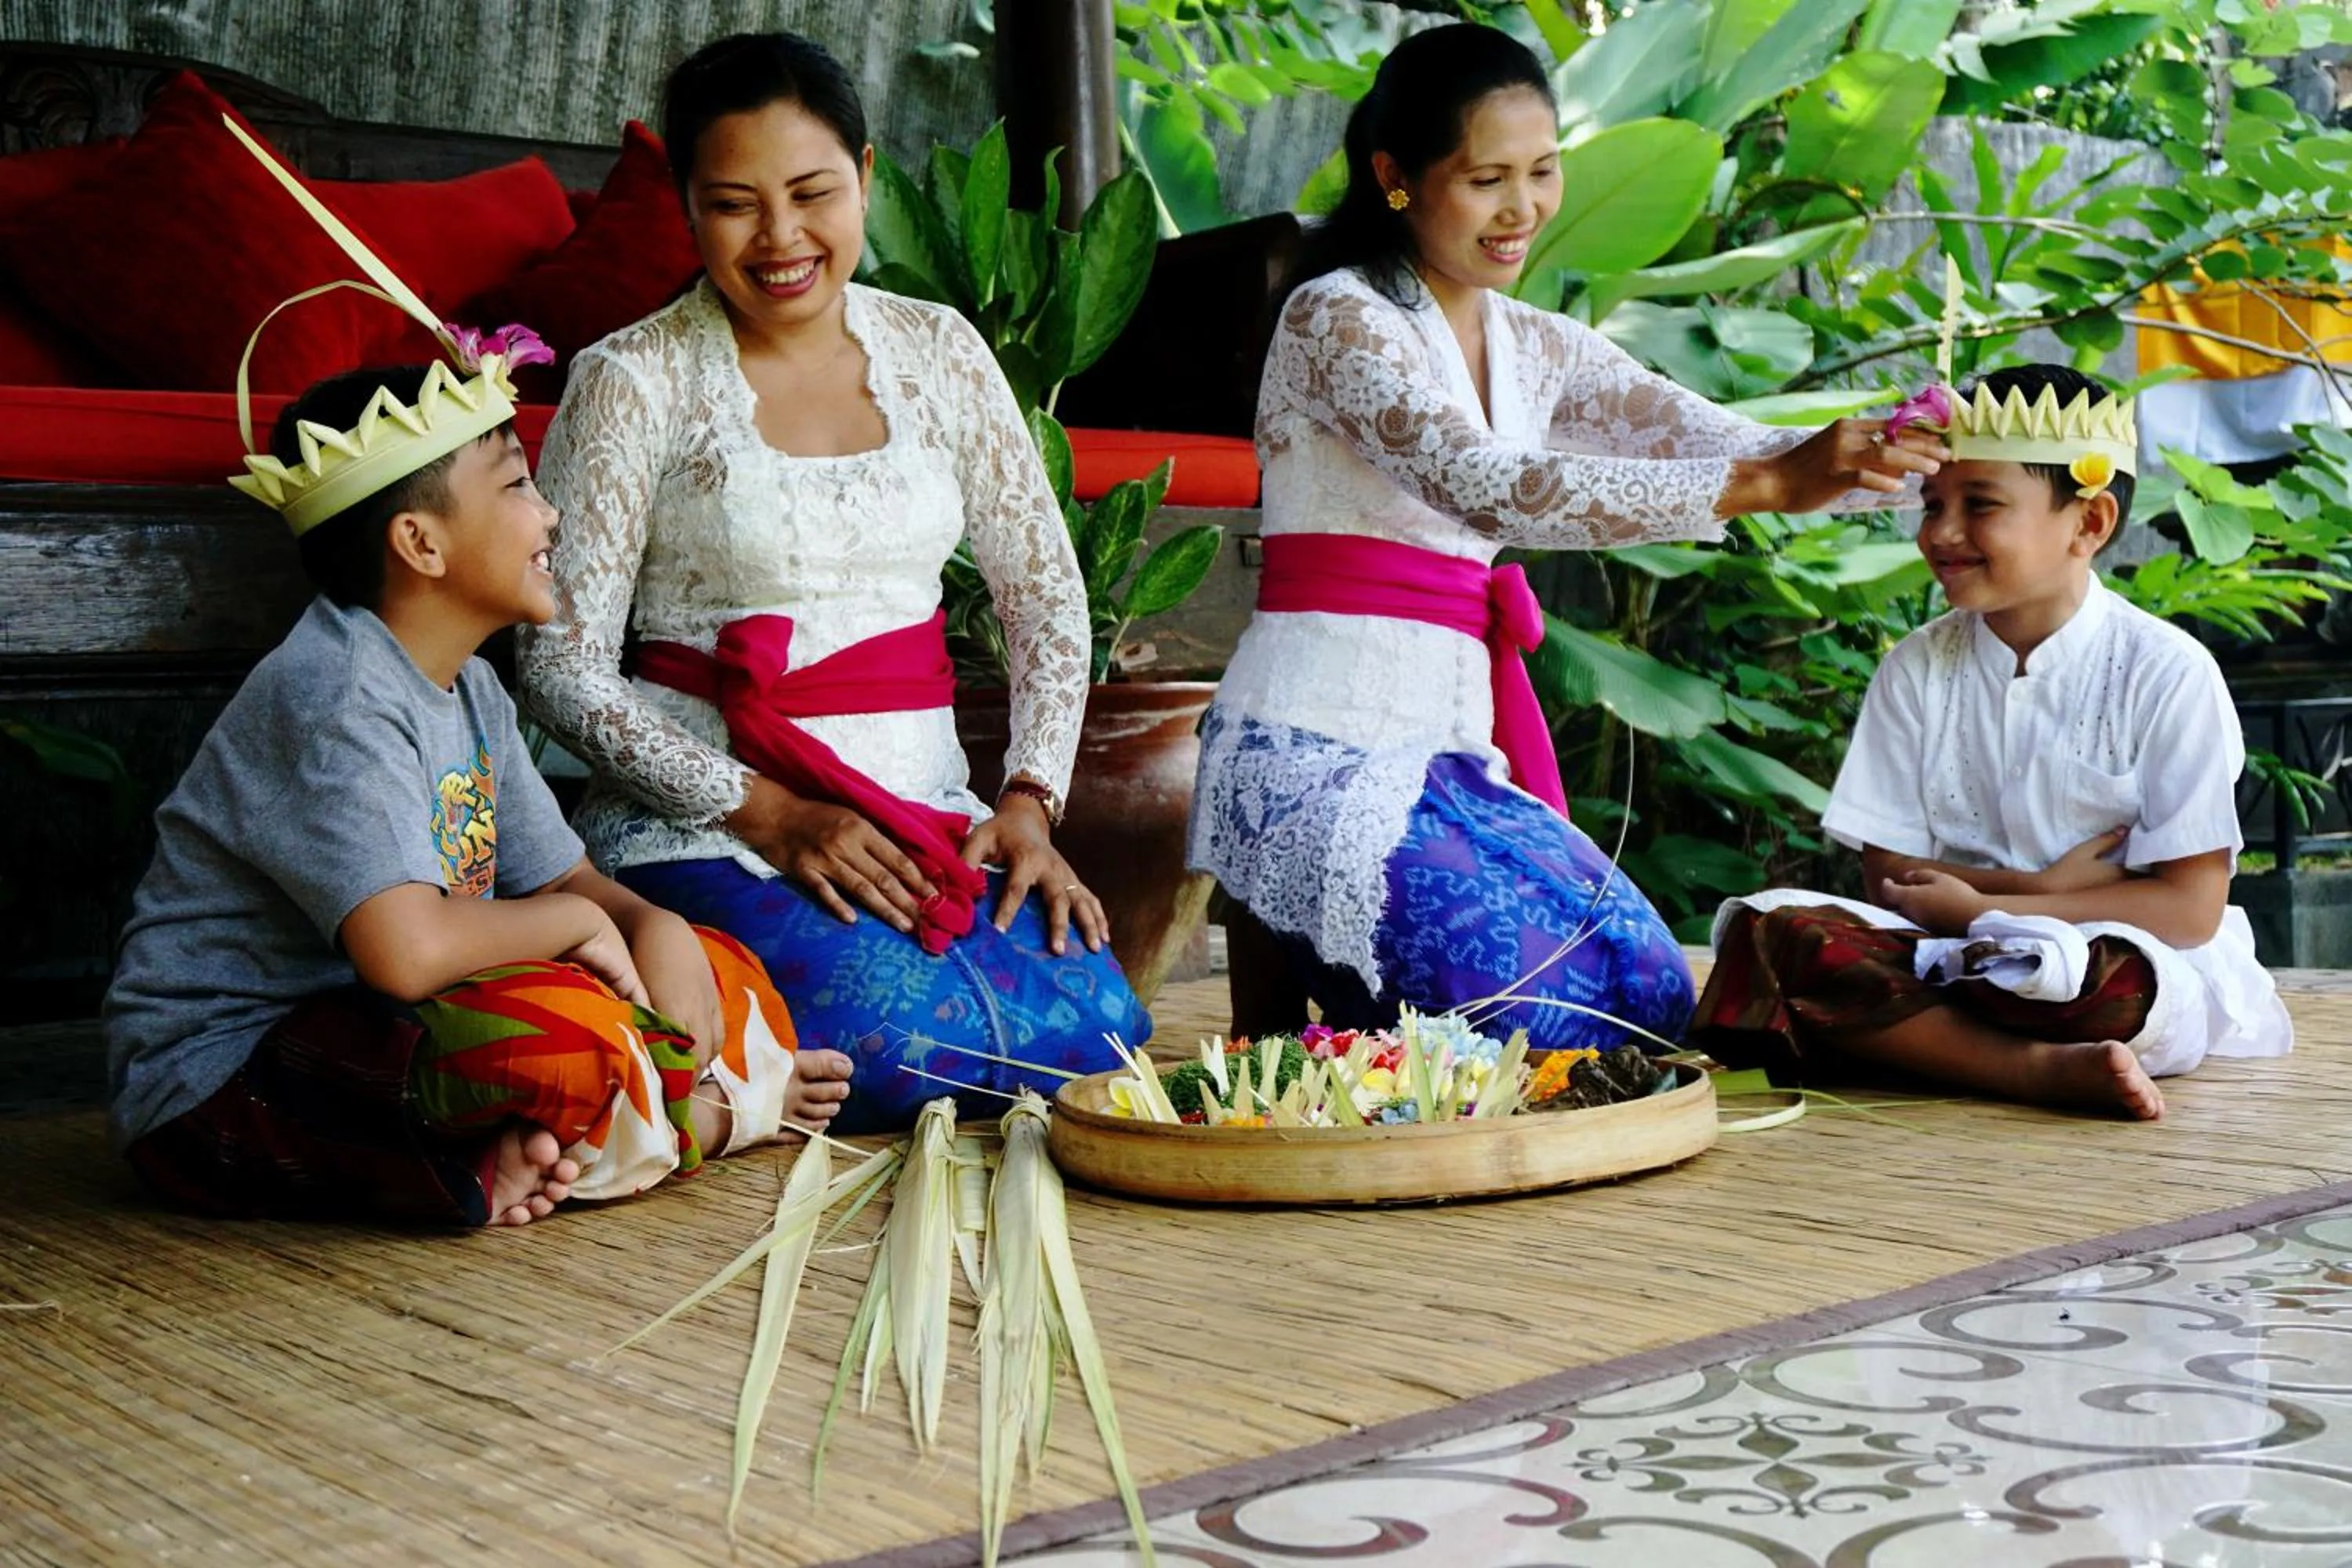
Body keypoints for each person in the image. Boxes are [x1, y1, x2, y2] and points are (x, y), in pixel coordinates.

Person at [105, 129, 850, 1228]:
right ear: (421, 546)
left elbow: (569, 888)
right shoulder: (336, 696)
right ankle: (651, 1126)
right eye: (516, 487)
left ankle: (608, 1130)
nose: (549, 515)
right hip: (231, 1071)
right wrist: (578, 937)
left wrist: (643, 927)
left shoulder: (471, 690)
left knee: (714, 957)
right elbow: (406, 952)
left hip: (377, 1022)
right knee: (555, 1046)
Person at [1190, 24, 1943, 1051]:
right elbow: (1487, 484)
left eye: (1542, 172)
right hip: (1310, 751)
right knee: (1535, 1019)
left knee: (1647, 989)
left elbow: (1735, 440)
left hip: (1452, 755)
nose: (1524, 209)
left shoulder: (1534, 343)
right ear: (1396, 178)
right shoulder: (1337, 315)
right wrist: (1769, 482)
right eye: (1486, 178)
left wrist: (1923, 460)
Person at [517, 32, 1148, 1134]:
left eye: (813, 192)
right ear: (687, 210)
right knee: (904, 1052)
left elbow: (1045, 595)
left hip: (928, 820)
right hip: (710, 828)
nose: (781, 239)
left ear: (863, 174)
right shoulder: (631, 379)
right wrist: (767, 814)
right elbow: (559, 670)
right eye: (734, 205)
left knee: (1102, 1035)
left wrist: (1029, 804)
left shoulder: (941, 350)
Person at [1690, 365, 2295, 1119]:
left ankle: (1924, 1047)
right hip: (1943, 954)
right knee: (1767, 935)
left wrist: (2011, 903)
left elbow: (2190, 909)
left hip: (2106, 960)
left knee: (2088, 978)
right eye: (1933, 503)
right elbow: (1891, 880)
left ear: (2091, 522)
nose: (1941, 533)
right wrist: (1991, 910)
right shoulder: (1916, 666)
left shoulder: (2168, 672)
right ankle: (2031, 1072)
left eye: (1981, 505)